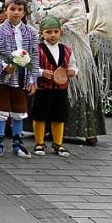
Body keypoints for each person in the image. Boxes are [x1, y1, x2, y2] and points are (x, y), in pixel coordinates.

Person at [31, 0, 105, 143]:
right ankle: (45, 127)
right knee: (46, 81)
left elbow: (79, 19)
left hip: (69, 44)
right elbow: (34, 16)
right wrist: (42, 32)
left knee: (74, 82)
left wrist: (57, 30)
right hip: (45, 45)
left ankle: (85, 129)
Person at [0, 0, 40, 159]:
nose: (16, 13)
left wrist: (32, 79)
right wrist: (3, 66)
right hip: (3, 78)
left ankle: (18, 144)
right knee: (0, 108)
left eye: (20, 9)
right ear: (5, 11)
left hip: (22, 77)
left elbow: (34, 56)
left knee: (19, 109)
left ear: (24, 12)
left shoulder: (30, 32)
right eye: (12, 9)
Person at [31, 16, 78, 157]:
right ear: (42, 34)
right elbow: (32, 66)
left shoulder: (67, 50)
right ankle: (39, 142)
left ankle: (58, 144)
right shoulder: (37, 49)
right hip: (43, 89)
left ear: (60, 32)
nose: (52, 35)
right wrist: (41, 72)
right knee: (40, 115)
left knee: (59, 116)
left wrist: (72, 72)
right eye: (48, 32)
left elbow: (73, 65)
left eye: (55, 32)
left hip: (60, 90)